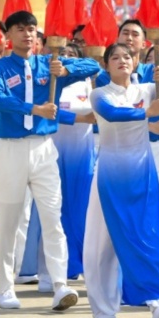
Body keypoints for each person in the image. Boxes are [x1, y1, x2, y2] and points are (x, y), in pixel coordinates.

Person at [0, 10, 100, 311]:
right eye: (20, 29)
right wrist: (33, 108)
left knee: (52, 218)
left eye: (32, 30)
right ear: (9, 35)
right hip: (11, 150)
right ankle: (5, 287)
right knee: (8, 221)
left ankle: (60, 285)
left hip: (44, 149)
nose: (27, 34)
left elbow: (93, 65)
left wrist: (65, 69)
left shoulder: (49, 64)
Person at [83, 42, 159, 318]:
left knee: (148, 233)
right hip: (111, 175)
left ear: (135, 62)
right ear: (106, 65)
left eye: (127, 56)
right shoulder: (99, 93)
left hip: (143, 171)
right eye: (115, 57)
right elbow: (113, 115)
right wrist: (148, 114)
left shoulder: (148, 89)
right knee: (101, 244)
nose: (122, 60)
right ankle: (103, 306)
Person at [52, 43, 97, 279]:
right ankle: (64, 265)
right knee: (58, 208)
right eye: (62, 54)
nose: (66, 58)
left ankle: (83, 262)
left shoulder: (88, 81)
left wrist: (69, 67)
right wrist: (80, 119)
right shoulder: (52, 80)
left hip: (82, 152)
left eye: (72, 55)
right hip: (55, 149)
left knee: (81, 208)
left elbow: (94, 64)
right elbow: (48, 111)